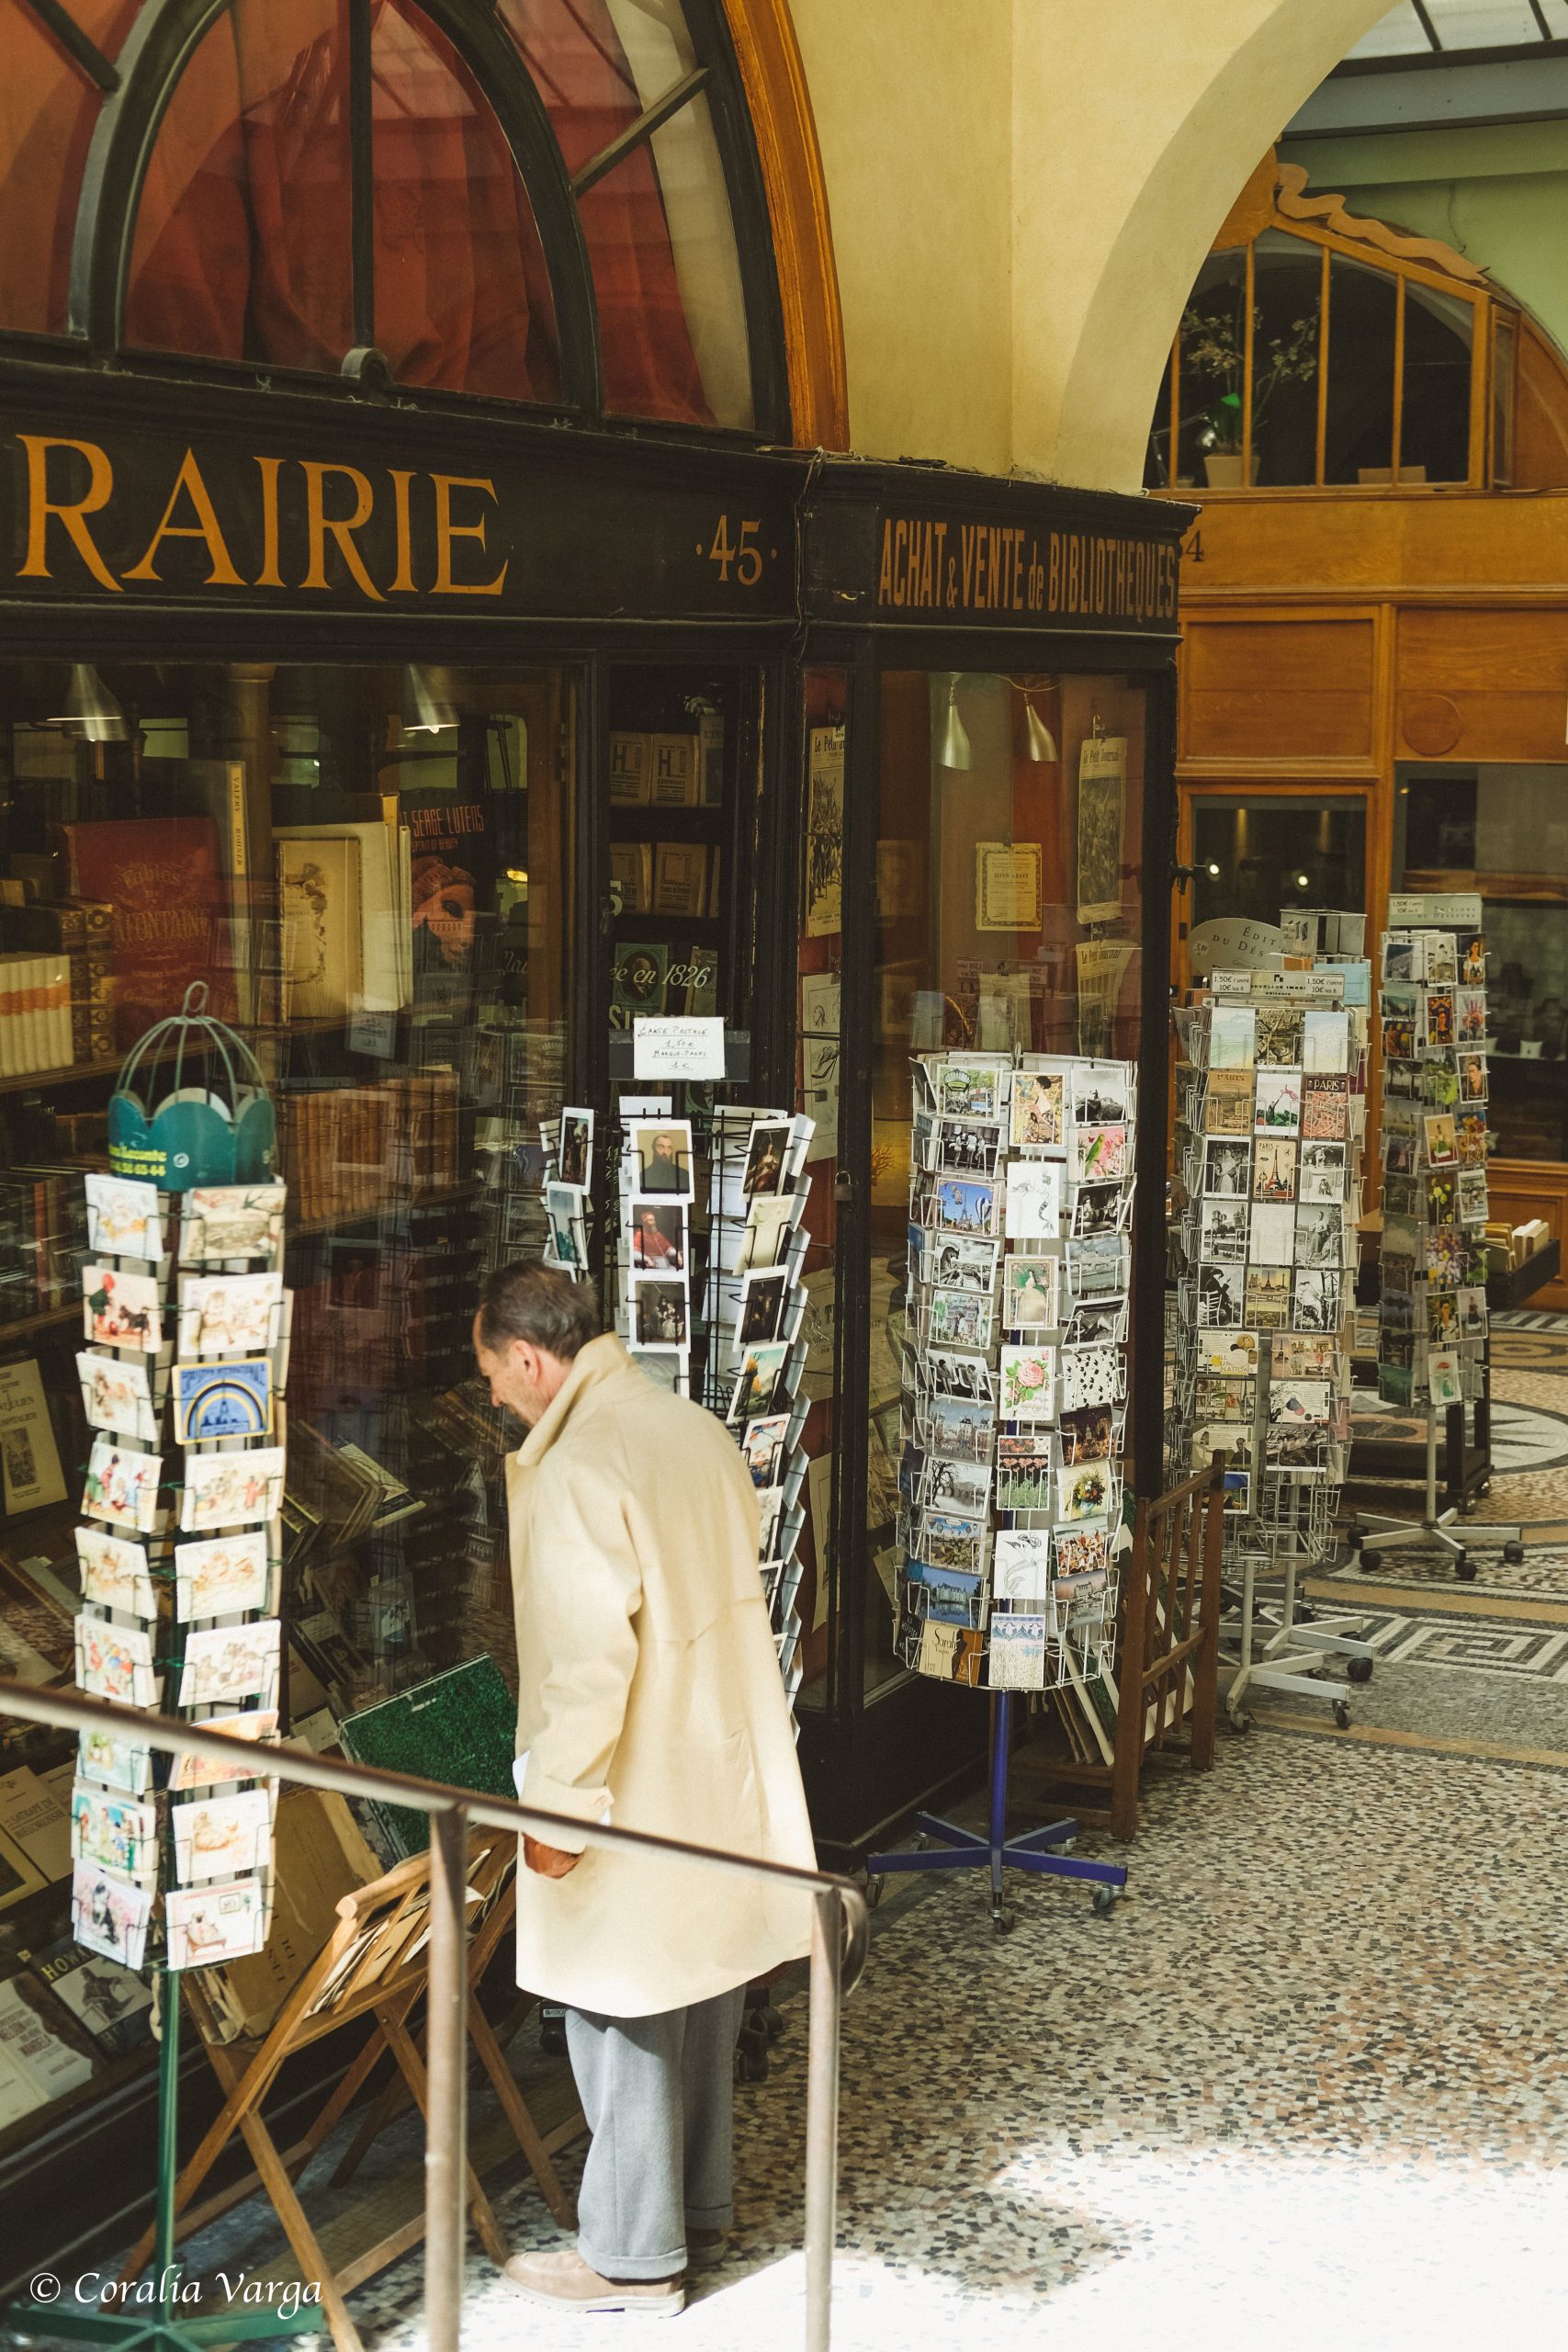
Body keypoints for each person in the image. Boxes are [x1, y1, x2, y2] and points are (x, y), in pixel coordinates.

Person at [473, 1264, 816, 2318]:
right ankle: (696, 2207)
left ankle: (631, 2255)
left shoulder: (576, 1466)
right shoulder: (690, 1426)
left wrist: (559, 1814)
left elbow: (583, 1666)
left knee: (615, 2007)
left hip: (627, 1774)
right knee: (701, 1988)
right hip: (711, 1761)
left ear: (531, 1359)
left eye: (492, 1374)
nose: (492, 1395)